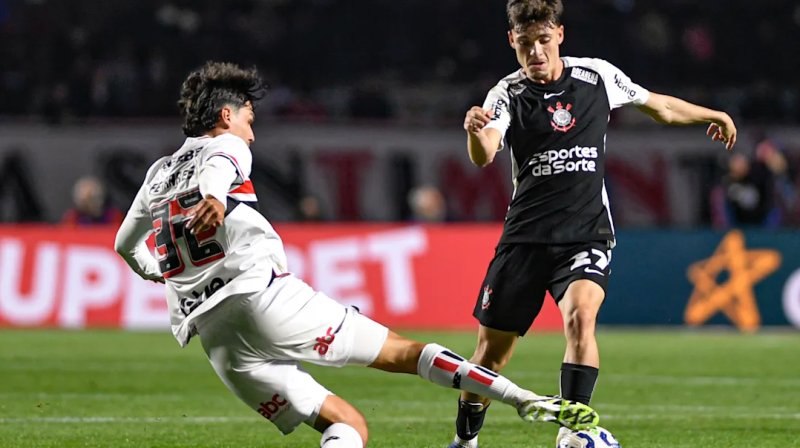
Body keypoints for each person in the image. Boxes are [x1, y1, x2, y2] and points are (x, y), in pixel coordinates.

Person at [113, 61, 598, 448]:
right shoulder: (226, 147)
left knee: (345, 426)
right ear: (226, 116)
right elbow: (222, 163)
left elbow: (124, 246)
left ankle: (517, 403)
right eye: (248, 120)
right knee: (406, 353)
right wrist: (217, 197)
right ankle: (524, 399)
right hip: (263, 299)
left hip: (216, 337)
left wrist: (157, 273)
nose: (252, 133)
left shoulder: (159, 171)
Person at [449, 1, 737, 447]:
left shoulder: (596, 76)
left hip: (585, 234)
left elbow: (658, 106)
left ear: (559, 35)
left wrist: (712, 114)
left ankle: (573, 430)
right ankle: (466, 441)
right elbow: (485, 152)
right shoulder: (506, 94)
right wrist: (473, 130)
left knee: (581, 319)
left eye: (544, 41)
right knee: (490, 355)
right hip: (525, 239)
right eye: (526, 44)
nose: (536, 53)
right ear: (512, 42)